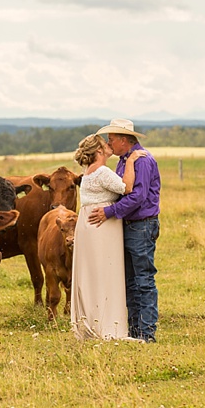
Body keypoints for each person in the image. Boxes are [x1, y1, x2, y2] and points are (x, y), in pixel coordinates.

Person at [88, 119, 161, 343]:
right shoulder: (126, 160)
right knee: (130, 280)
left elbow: (137, 197)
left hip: (141, 225)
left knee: (143, 280)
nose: (109, 144)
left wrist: (110, 211)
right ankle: (135, 331)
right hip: (130, 225)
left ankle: (147, 334)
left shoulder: (142, 160)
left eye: (111, 139)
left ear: (123, 140)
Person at [70, 134, 144, 341]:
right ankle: (107, 325)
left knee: (93, 274)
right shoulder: (101, 171)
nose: (110, 145)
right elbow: (126, 188)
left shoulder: (88, 172)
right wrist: (130, 161)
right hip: (101, 227)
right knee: (105, 274)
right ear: (99, 151)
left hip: (89, 223)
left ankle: (93, 320)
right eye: (106, 143)